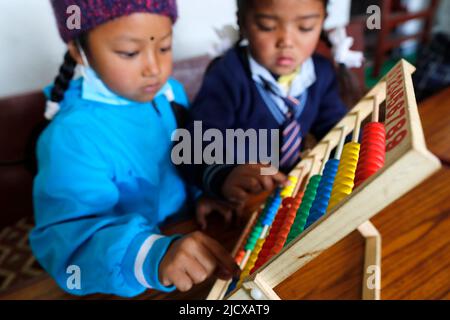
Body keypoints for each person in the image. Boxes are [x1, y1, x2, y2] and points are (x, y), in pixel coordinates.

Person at [30, 0, 240, 298]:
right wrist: (151, 256)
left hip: (188, 243)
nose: (154, 68)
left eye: (165, 47)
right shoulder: (70, 137)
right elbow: (69, 243)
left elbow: (184, 156)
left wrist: (202, 192)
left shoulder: (169, 95)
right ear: (80, 50)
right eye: (129, 53)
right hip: (119, 281)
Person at [180, 0, 348, 220]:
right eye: (267, 26)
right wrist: (225, 175)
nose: (286, 42)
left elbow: (336, 128)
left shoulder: (322, 72)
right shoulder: (227, 75)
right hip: (244, 201)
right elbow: (193, 145)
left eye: (305, 27)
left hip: (288, 197)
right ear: (242, 22)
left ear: (322, 22)